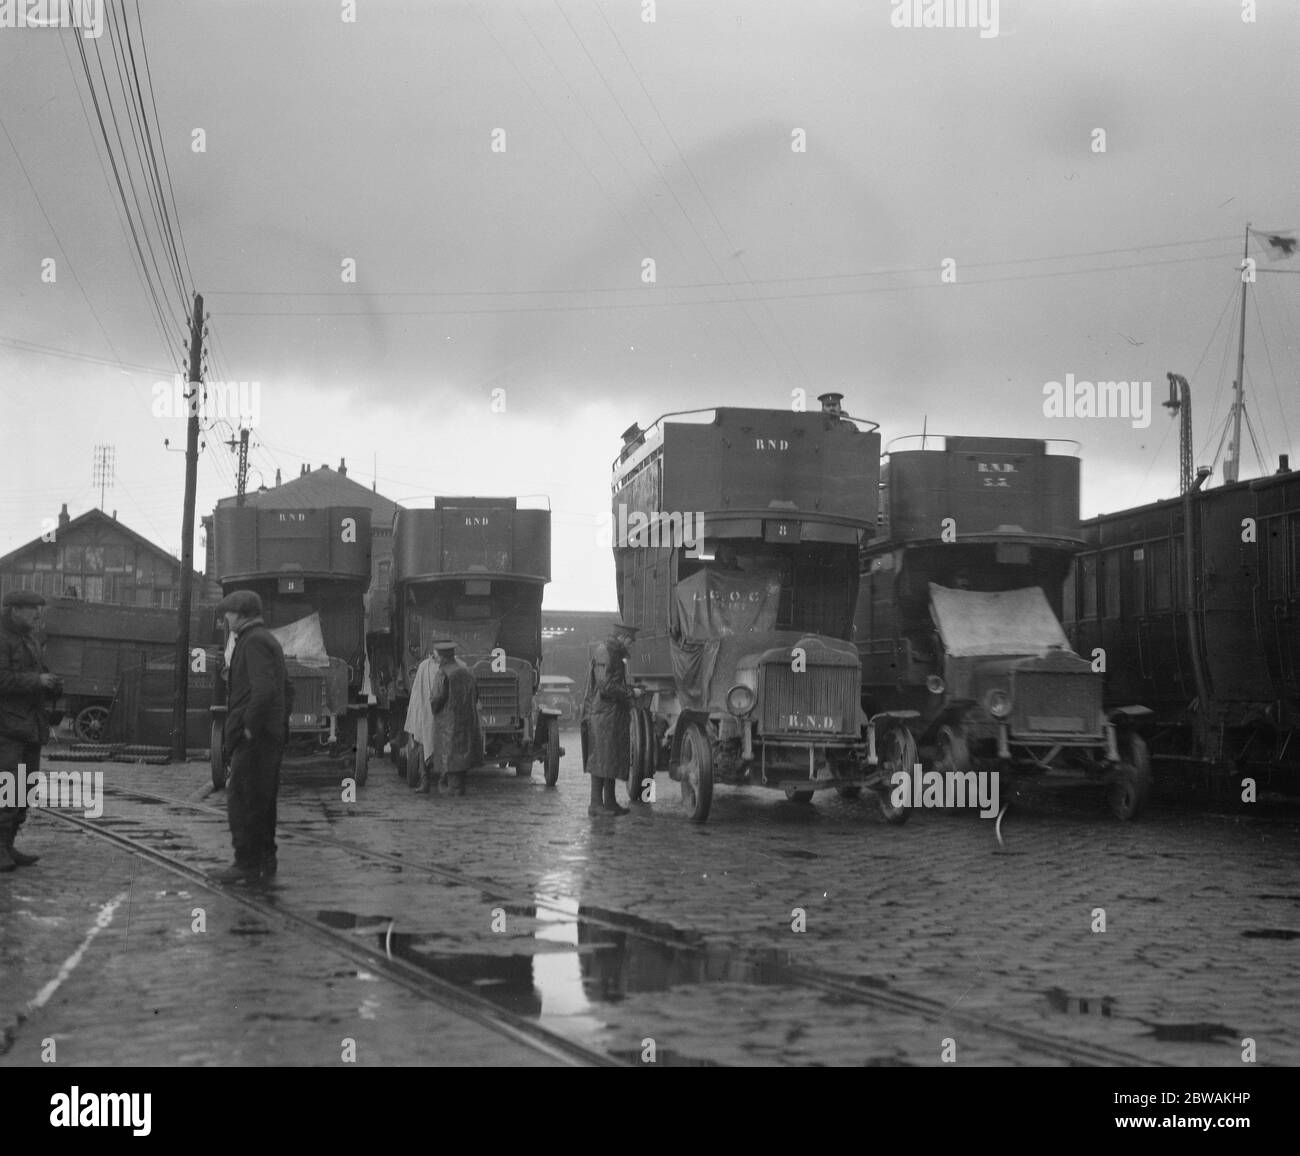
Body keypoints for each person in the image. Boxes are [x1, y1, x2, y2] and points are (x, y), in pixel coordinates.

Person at [213, 589, 288, 883]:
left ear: (242, 614)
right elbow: (287, 688)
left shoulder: (253, 641)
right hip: (268, 735)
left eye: (229, 614)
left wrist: (249, 727)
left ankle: (245, 863)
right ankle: (266, 859)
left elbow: (264, 690)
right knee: (262, 800)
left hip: (255, 738)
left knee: (242, 798)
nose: (226, 620)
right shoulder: (265, 640)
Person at [0, 590, 61, 872]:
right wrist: (37, 680)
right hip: (7, 727)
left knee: (25, 789)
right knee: (7, 788)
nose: (37, 615)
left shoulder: (31, 640)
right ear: (13, 610)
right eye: (31, 610)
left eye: (38, 609)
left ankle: (8, 845)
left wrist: (52, 685)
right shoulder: (2, 639)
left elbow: (38, 674)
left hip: (30, 726)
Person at [581, 621, 642, 817]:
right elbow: (606, 685)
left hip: (610, 715)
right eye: (630, 641)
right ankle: (595, 804)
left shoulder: (611, 652)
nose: (631, 645)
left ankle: (610, 802)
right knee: (600, 760)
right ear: (622, 638)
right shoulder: (605, 652)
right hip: (602, 714)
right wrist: (632, 691)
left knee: (610, 759)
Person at [428, 639, 482, 796]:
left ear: (442, 656)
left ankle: (453, 788)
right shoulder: (467, 672)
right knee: (462, 755)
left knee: (450, 756)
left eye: (436, 654)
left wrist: (435, 709)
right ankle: (459, 787)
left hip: (448, 724)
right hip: (467, 722)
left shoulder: (442, 674)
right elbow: (476, 694)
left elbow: (436, 699)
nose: (435, 657)